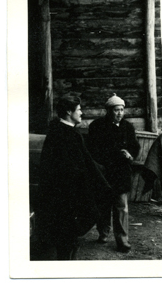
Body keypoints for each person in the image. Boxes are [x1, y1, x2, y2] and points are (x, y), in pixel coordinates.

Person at [35, 95, 111, 260]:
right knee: (66, 238)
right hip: (65, 197)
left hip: (66, 195)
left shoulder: (64, 132)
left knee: (68, 237)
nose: (82, 113)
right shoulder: (64, 135)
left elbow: (86, 163)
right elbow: (72, 170)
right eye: (79, 110)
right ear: (69, 112)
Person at [87, 94, 140, 253]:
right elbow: (92, 150)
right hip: (103, 172)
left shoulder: (128, 127)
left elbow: (135, 147)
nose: (119, 113)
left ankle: (122, 240)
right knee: (103, 204)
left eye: (122, 110)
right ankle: (103, 232)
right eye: (116, 110)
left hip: (121, 173)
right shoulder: (97, 126)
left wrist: (130, 155)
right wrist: (113, 155)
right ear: (108, 111)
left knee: (121, 207)